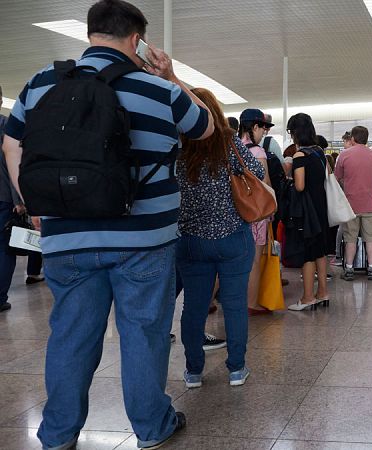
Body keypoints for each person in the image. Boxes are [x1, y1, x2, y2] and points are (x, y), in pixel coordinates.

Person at [1, 1, 215, 448]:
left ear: (91, 34)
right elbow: (206, 127)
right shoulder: (158, 89)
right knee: (144, 333)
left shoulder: (42, 82)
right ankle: (151, 427)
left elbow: (11, 145)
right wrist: (172, 77)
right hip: (144, 238)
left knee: (71, 336)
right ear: (137, 40)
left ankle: (58, 434)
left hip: (66, 237)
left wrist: (35, 202)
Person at [176, 88, 261, 389]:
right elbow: (256, 171)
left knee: (194, 306)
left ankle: (193, 372)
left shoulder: (178, 145)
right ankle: (236, 369)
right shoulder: (228, 142)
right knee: (235, 305)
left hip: (191, 240)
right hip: (233, 237)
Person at [286, 113, 330, 310]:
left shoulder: (300, 156)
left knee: (308, 254)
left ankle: (307, 297)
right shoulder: (319, 152)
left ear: (296, 132)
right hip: (321, 207)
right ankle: (323, 293)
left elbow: (300, 185)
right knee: (320, 252)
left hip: (307, 211)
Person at [335, 125, 372, 281]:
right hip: (370, 203)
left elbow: (338, 178)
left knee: (350, 237)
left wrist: (348, 188)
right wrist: (370, 190)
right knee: (370, 237)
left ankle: (349, 269)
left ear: (352, 138)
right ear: (367, 138)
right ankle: (371, 268)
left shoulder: (344, 155)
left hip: (350, 204)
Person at [238, 108, 274, 316]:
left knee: (232, 260)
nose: (264, 133)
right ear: (254, 127)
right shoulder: (258, 152)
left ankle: (207, 301)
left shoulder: (232, 148)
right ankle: (252, 303)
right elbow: (265, 183)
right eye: (263, 128)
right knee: (254, 260)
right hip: (256, 213)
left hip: (235, 212)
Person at [0, 90, 25, 313]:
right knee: (4, 248)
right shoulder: (6, 126)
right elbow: (12, 164)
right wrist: (19, 199)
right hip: (3, 197)